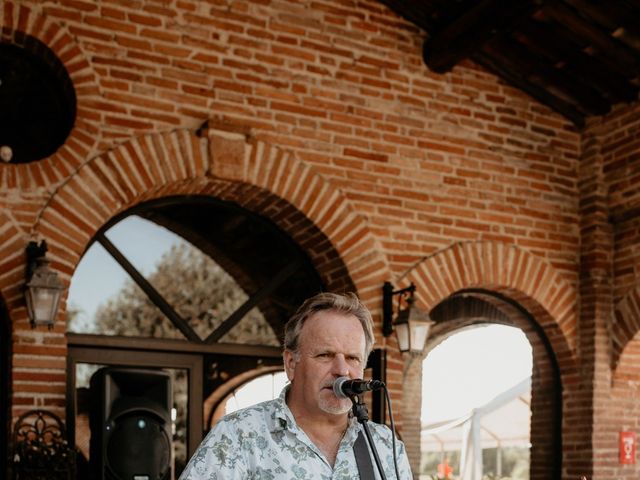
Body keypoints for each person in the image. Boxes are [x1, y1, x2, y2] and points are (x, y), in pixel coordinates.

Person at [179, 292, 413, 479]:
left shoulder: (385, 446)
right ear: (291, 363)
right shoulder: (238, 434)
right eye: (325, 355)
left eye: (352, 358)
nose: (342, 370)